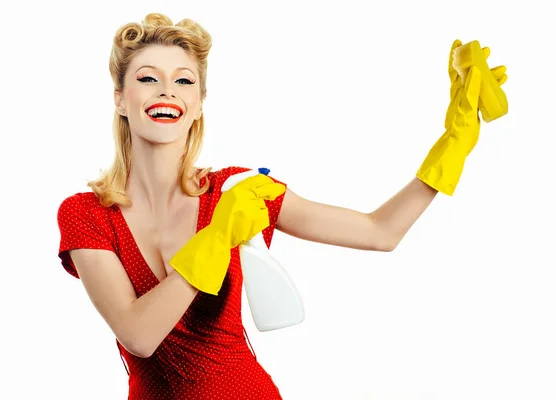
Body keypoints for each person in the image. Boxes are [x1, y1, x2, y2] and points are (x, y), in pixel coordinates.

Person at [56, 13, 507, 400]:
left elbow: (379, 231)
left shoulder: (236, 190)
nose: (166, 91)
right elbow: (138, 335)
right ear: (120, 98)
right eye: (147, 78)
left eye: (184, 80)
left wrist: (454, 144)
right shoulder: (86, 215)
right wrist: (216, 238)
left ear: (198, 104)